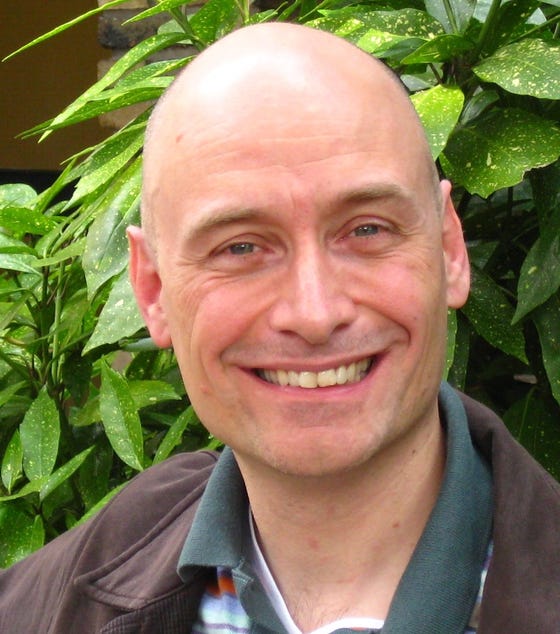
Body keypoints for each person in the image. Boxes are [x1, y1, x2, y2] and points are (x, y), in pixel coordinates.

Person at [0, 22, 559, 634]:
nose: (314, 314)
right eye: (240, 247)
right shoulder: (54, 601)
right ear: (153, 290)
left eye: (367, 229)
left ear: (450, 250)